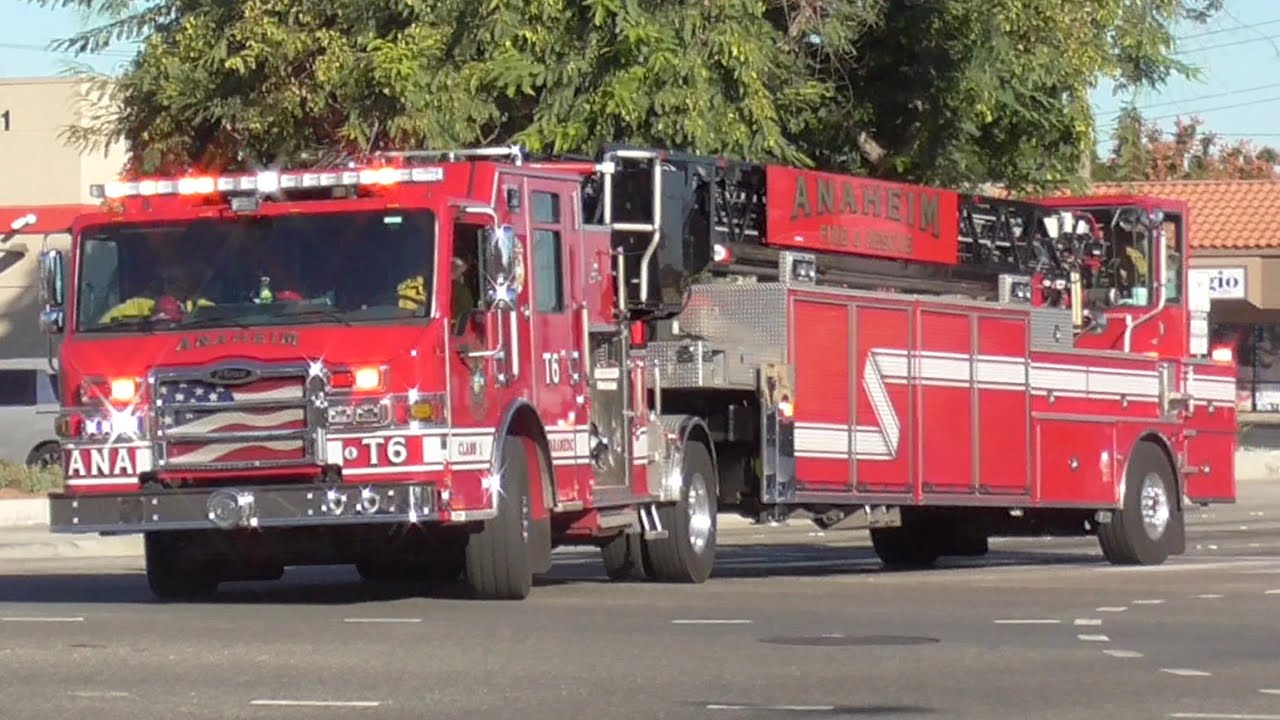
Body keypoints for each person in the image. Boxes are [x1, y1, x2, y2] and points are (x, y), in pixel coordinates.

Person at [98, 264, 214, 324]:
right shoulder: (140, 305)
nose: (174, 285)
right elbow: (104, 325)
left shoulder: (201, 306)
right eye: (169, 280)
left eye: (178, 280)